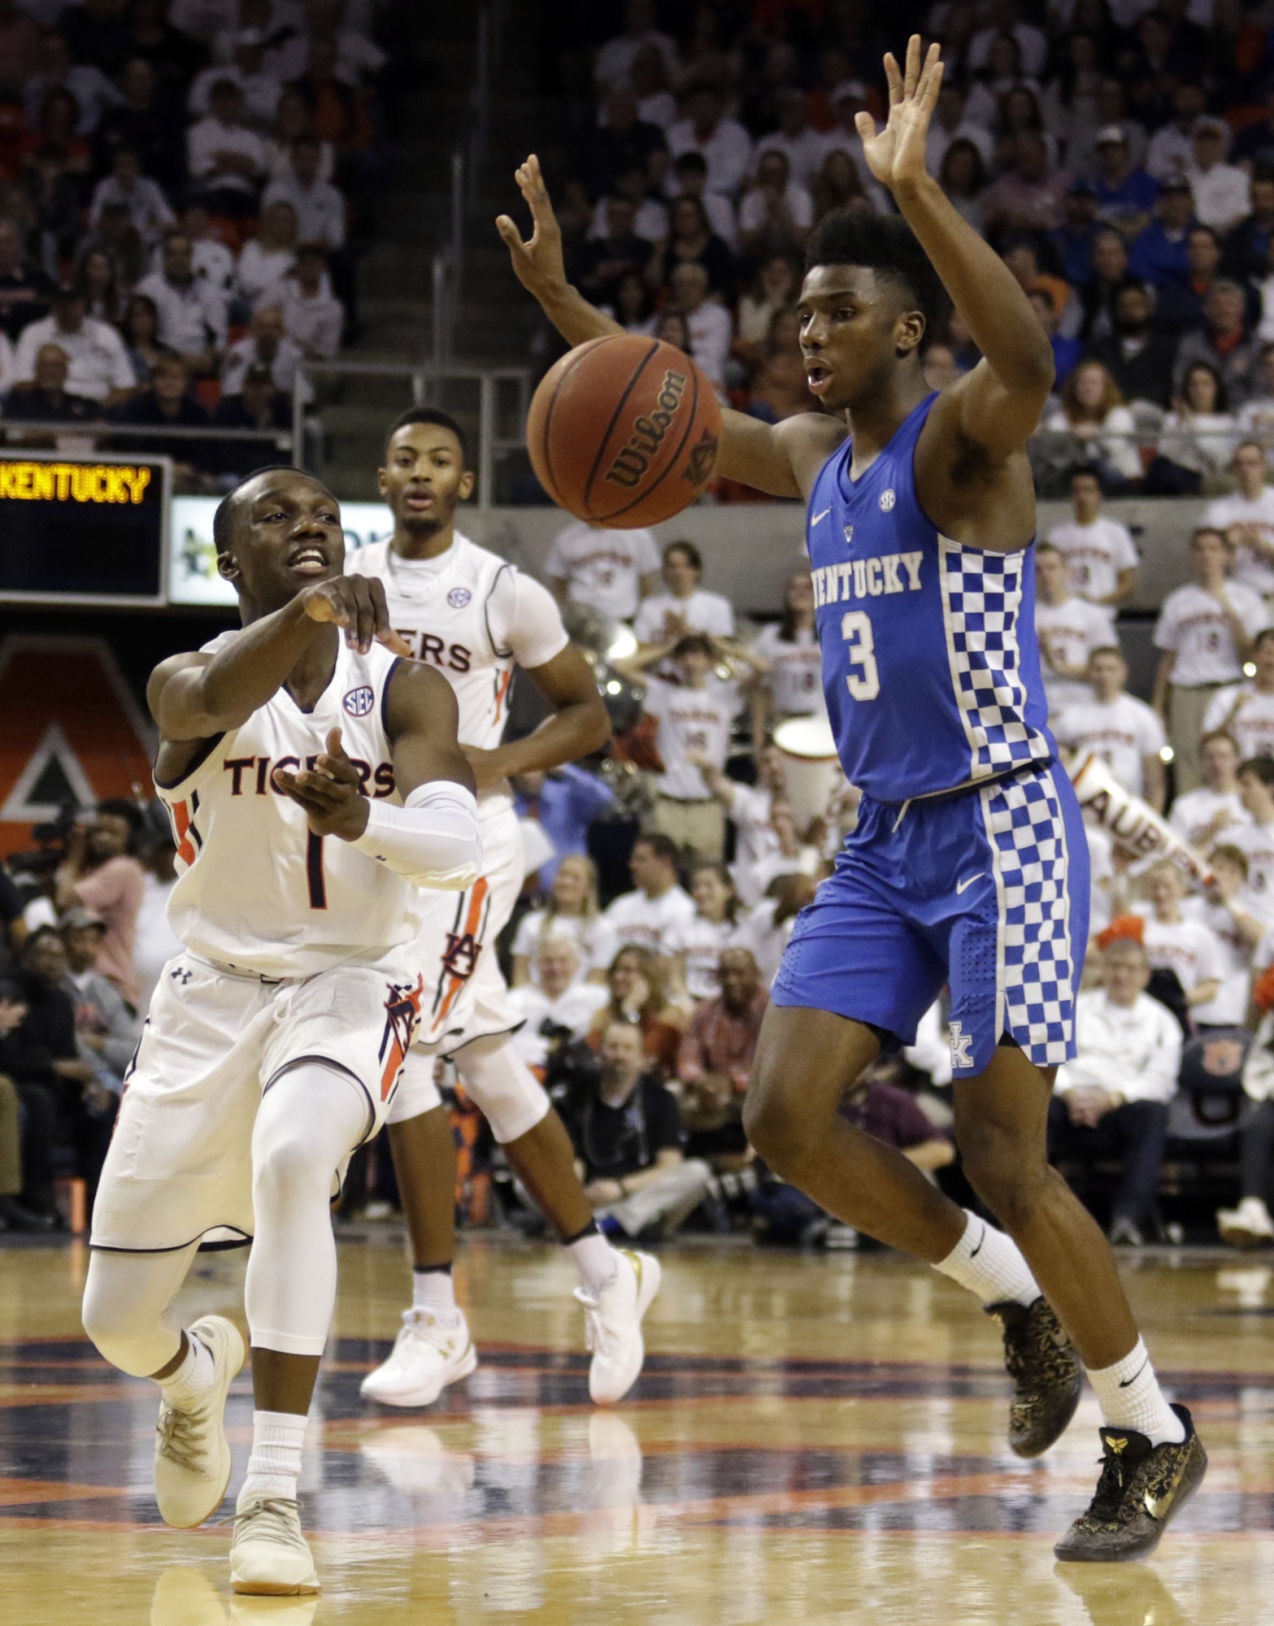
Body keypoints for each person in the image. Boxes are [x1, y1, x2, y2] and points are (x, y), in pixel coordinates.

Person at [494, 36, 1208, 1559]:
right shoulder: (814, 454)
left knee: (1007, 1154)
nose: (805, 334)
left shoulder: (959, 446)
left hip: (1004, 822)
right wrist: (567, 311)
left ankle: (1147, 1425)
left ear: (904, 324)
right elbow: (670, 425)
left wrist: (916, 184)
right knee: (780, 1118)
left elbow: (1019, 360)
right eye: (797, 312)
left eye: (835, 311)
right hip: (886, 843)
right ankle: (1012, 1303)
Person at [78, 465, 482, 1595]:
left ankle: (275, 1497)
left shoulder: (402, 686)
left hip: (351, 982)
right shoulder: (186, 678)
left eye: (322, 521)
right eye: (276, 519)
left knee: (297, 1157)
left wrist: (371, 817)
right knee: (114, 1324)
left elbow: (458, 847)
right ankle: (192, 1374)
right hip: (208, 997)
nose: (308, 529)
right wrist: (303, 613)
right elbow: (199, 706)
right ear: (227, 562)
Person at [349, 410, 660, 1415]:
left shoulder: (500, 589)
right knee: (484, 1060)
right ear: (382, 475)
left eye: (439, 459)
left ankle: (438, 1315)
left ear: (465, 480)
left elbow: (588, 713)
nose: (420, 473)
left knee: (403, 1049)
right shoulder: (348, 580)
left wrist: (499, 760)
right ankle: (609, 1276)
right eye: (404, 458)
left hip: (467, 844)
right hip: (380, 838)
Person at [1048, 939, 1181, 1247]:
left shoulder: (1162, 1021)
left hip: (1122, 1106)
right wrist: (1068, 1092)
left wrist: (1114, 1098)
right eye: (1115, 967)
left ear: (1145, 976)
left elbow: (1162, 1079)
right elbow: (1049, 1058)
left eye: (1131, 969)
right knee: (1033, 1107)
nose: (1122, 976)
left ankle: (1127, 1219)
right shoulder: (1075, 1008)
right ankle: (1021, 1215)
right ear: (1103, 971)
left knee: (1153, 1113)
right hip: (1070, 1100)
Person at [561, 1019, 710, 1241]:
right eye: (613, 1047)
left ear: (641, 1056)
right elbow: (571, 1158)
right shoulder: (578, 1095)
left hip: (639, 1194)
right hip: (589, 1196)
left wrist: (621, 1188)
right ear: (600, 1053)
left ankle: (614, 1223)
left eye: (628, 1048)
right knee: (527, 1181)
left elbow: (669, 1164)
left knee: (698, 1171)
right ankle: (592, 1221)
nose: (620, 1055)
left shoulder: (661, 1098)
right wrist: (577, 1188)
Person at [613, 632, 748, 864]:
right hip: (667, 801)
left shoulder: (723, 695)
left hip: (708, 802)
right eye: (683, 656)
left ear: (709, 661)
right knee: (659, 871)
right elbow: (620, 666)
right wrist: (667, 647)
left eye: (696, 655)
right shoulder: (664, 692)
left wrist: (722, 647)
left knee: (707, 874)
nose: (690, 662)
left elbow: (765, 670)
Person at [1152, 526, 1268, 794]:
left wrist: (1230, 612)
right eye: (1200, 549)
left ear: (1227, 555)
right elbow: (1169, 657)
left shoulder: (1246, 598)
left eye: (1214, 549)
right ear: (1192, 555)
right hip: (1187, 690)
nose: (1207, 555)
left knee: (1230, 764)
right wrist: (1159, 705)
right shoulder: (1178, 600)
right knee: (1189, 765)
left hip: (1230, 687)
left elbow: (1254, 653)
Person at [676, 945, 767, 1169]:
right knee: (672, 1095)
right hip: (711, 1091)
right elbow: (688, 1058)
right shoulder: (705, 1010)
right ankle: (679, 1165)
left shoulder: (775, 1011)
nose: (731, 980)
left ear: (756, 975)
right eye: (725, 974)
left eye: (739, 973)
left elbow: (776, 1069)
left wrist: (731, 1082)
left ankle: (754, 1165)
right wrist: (700, 1082)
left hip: (756, 1092)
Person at [53, 799, 146, 1008]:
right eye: (98, 831)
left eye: (113, 833)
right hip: (92, 984)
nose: (102, 838)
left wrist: (75, 854)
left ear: (129, 839)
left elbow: (64, 899)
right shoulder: (97, 870)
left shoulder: (122, 869)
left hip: (111, 986)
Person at [1054, 646, 1167, 807]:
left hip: (1129, 806)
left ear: (1123, 673)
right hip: (1082, 806)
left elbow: (1155, 781)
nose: (1104, 675)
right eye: (1098, 669)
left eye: (1110, 669)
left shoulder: (1143, 715)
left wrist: (1154, 816)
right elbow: (1059, 770)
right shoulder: (1069, 717)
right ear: (1089, 673)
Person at [1033, 542, 1117, 718]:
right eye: (1038, 570)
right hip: (1038, 700)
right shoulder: (1023, 617)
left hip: (1083, 700)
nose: (1046, 575)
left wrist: (1060, 667)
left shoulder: (1092, 614)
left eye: (1051, 568)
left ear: (1066, 570)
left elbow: (1110, 666)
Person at [510, 854, 617, 988]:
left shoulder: (602, 927)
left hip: (581, 1004)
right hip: (534, 1003)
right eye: (562, 875)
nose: (566, 882)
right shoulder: (531, 923)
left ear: (588, 888)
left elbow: (597, 978)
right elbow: (520, 973)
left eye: (575, 878)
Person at [508, 937, 608, 1073]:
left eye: (563, 960)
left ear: (577, 964)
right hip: (525, 1072)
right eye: (548, 961)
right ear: (535, 964)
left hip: (578, 1075)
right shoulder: (514, 1000)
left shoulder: (596, 998)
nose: (555, 967)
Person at [586, 943, 687, 1075]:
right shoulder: (603, 1016)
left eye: (627, 971)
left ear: (647, 977)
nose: (617, 977)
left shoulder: (669, 1015)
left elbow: (645, 1057)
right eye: (615, 970)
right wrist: (627, 1011)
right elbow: (595, 1055)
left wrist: (630, 1012)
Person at [1045, 467, 1139, 610]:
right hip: (1067, 615)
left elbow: (1128, 584)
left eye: (1088, 490)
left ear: (1098, 495)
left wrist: (1098, 602)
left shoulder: (1116, 532)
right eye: (1077, 491)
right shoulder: (1056, 536)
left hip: (1103, 614)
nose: (1082, 496)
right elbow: (1045, 578)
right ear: (1071, 496)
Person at [749, 569, 826, 741]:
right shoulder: (770, 636)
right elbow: (760, 690)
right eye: (794, 588)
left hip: (821, 721)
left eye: (807, 587)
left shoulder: (830, 634)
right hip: (784, 721)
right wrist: (758, 739)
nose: (800, 592)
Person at [543, 518, 660, 624]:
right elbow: (559, 585)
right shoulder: (567, 536)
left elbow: (646, 582)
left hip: (624, 615)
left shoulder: (637, 534)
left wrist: (648, 618)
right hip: (582, 618)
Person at [1201, 440, 1274, 602]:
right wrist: (1229, 546)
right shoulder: (1218, 510)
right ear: (1233, 469)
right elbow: (1203, 563)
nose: (1245, 470)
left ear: (1264, 466)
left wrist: (1264, 548)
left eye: (1252, 463)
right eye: (1239, 464)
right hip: (1234, 597)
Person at [604, 831, 695, 955]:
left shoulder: (685, 909)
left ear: (665, 862)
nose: (632, 866)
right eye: (633, 859)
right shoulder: (620, 905)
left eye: (641, 860)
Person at [663, 861, 742, 1003]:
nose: (701, 892)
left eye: (708, 886)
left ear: (728, 890)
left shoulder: (741, 928)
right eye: (696, 887)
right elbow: (673, 975)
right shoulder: (681, 924)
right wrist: (684, 1002)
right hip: (685, 1001)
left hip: (725, 1004)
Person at [633, 540, 734, 647]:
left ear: (697, 570)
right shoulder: (649, 605)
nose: (678, 572)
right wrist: (668, 637)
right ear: (664, 571)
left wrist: (687, 632)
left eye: (685, 566)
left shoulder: (718, 605)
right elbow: (641, 650)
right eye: (673, 566)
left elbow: (722, 649)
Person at [1168, 729, 1249, 849]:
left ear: (1238, 760)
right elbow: (1174, 852)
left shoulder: (1253, 801)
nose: (1217, 764)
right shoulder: (1185, 805)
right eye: (1210, 758)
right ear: (1201, 763)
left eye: (1224, 757)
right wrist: (1211, 830)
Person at [1205, 629, 1274, 761]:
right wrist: (1233, 713)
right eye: (1268, 653)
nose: (1271, 662)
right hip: (1236, 776)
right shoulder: (1227, 697)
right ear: (1256, 656)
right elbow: (1207, 743)